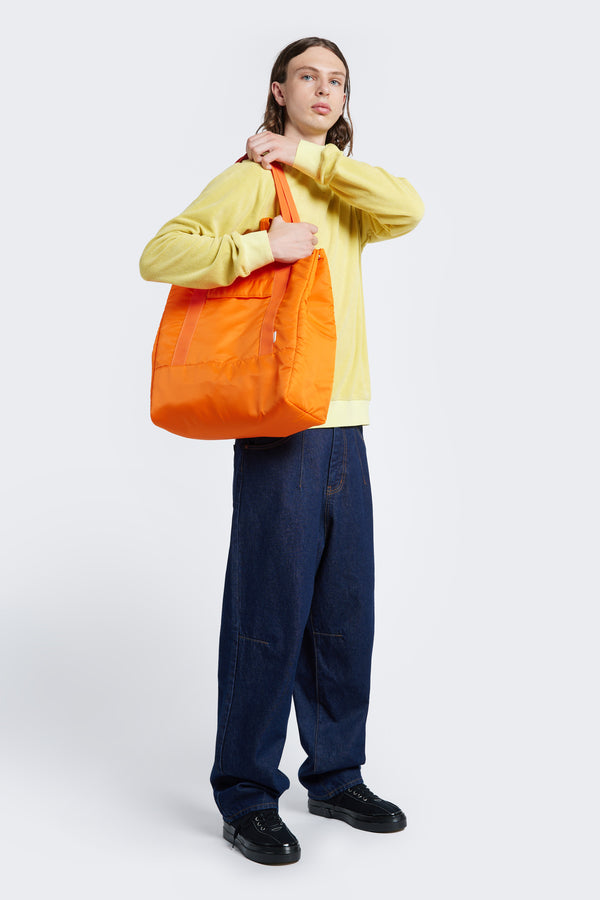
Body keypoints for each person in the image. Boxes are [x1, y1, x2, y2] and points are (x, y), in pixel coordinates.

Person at [139, 36, 424, 866]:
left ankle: (335, 776)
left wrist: (313, 159)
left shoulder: (339, 188)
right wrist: (263, 245)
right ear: (278, 88)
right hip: (280, 428)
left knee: (343, 617)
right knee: (268, 614)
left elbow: (408, 208)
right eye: (309, 75)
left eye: (337, 80)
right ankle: (246, 795)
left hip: (345, 427)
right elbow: (162, 252)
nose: (324, 88)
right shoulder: (251, 180)